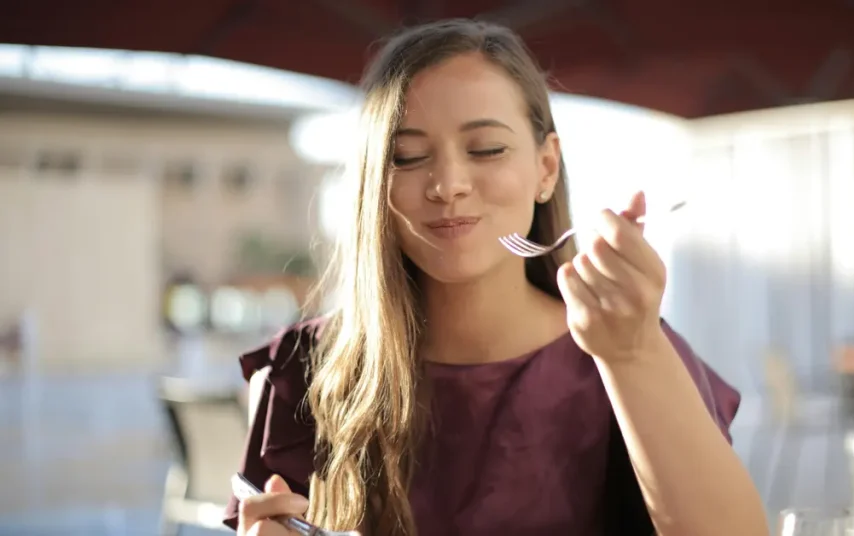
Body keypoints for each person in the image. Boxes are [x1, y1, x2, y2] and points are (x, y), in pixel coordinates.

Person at [224, 18, 767, 536]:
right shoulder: (304, 369)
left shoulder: (627, 348)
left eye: (486, 149)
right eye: (408, 157)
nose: (448, 184)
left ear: (546, 168)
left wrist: (633, 353)